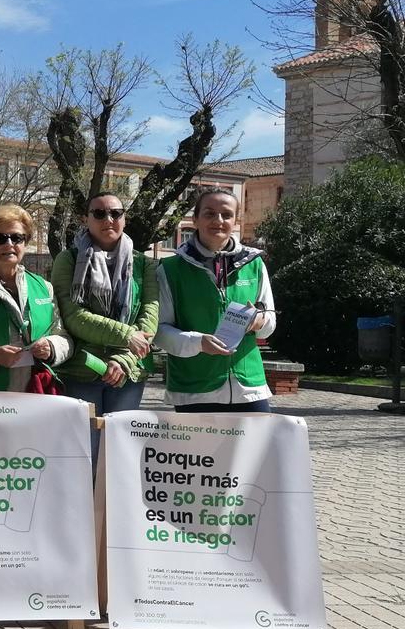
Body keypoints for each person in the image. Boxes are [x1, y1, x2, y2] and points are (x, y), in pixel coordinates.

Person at [51, 193, 158, 464]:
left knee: (121, 454)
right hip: (81, 371)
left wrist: (123, 358)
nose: (108, 219)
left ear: (124, 218)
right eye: (98, 214)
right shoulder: (68, 259)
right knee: (85, 454)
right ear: (85, 219)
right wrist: (126, 335)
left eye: (115, 213)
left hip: (129, 371)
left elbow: (149, 317)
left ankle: (115, 508)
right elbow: (73, 316)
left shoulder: (144, 264)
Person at [155, 187, 276, 412]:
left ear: (236, 220)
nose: (218, 221)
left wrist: (260, 321)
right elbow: (159, 332)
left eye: (226, 215)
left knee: (256, 448)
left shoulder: (254, 264)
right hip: (193, 390)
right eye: (209, 213)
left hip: (248, 387)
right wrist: (198, 342)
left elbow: (269, 322)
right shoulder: (170, 269)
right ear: (195, 219)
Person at [0, 204, 73, 393]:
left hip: (35, 394)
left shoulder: (44, 287)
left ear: (25, 243)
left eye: (17, 238)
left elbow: (63, 337)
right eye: (0, 238)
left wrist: (52, 346)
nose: (9, 244)